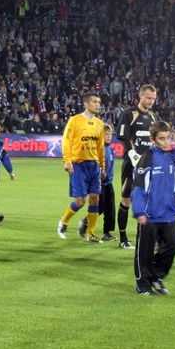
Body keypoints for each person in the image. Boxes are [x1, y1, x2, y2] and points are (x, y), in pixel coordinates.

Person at [132, 121, 175, 295]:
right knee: (145, 253)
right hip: (150, 215)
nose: (166, 142)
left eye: (168, 138)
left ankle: (156, 276)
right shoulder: (147, 158)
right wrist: (140, 212)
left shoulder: (170, 158)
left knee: (173, 245)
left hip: (168, 213)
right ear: (153, 139)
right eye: (161, 138)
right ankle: (143, 284)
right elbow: (139, 188)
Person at [57, 92, 106, 243]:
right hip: (78, 165)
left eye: (98, 102)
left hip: (94, 165)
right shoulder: (75, 121)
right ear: (86, 104)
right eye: (94, 102)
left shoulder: (99, 124)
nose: (97, 104)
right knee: (80, 202)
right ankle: (64, 222)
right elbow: (66, 141)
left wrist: (102, 165)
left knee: (95, 199)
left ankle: (90, 234)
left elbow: (100, 146)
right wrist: (67, 160)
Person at [116, 84, 159, 249]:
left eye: (153, 98)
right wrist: (133, 155)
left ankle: (149, 238)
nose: (151, 101)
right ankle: (123, 239)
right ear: (140, 96)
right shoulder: (129, 114)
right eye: (148, 97)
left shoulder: (153, 118)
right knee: (126, 200)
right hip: (132, 164)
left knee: (150, 201)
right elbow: (123, 136)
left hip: (148, 165)